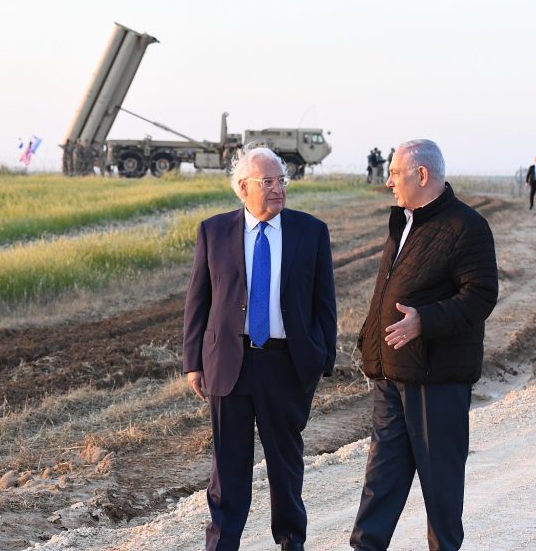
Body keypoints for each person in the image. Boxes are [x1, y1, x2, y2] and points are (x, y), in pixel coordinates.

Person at [183, 146, 337, 551]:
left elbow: (325, 301)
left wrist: (324, 358)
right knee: (228, 471)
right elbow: (198, 300)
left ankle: (291, 544)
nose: (277, 189)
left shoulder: (311, 231)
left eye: (281, 181)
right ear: (242, 188)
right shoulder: (213, 231)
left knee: (285, 469)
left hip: (286, 365)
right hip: (228, 364)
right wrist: (192, 361)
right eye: (266, 182)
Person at [350, 139, 498, 551]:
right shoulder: (403, 221)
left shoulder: (466, 226)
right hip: (391, 376)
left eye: (395, 173)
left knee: (441, 490)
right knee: (380, 483)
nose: (389, 181)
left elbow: (481, 295)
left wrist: (424, 322)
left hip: (438, 382)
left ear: (422, 174)